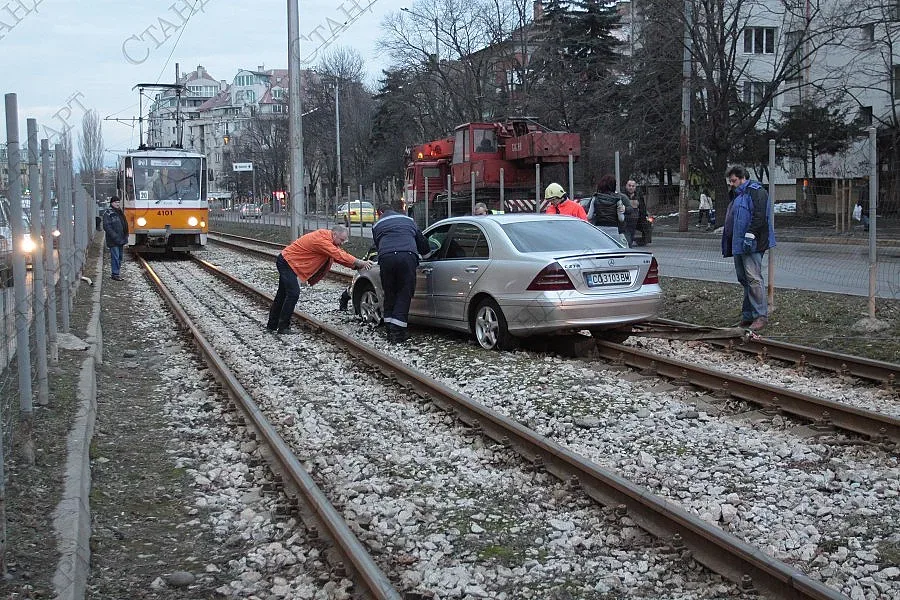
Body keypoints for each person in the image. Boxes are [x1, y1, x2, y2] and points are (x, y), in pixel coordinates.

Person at [266, 225, 374, 335]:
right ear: (334, 234)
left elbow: (338, 256)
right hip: (287, 263)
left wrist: (355, 266)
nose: (342, 243)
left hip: (288, 262)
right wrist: (360, 262)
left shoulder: (328, 240)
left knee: (282, 295)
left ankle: (272, 325)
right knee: (293, 294)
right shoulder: (322, 240)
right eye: (341, 240)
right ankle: (283, 326)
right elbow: (338, 254)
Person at [722, 166, 776, 332]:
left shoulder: (756, 192)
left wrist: (751, 234)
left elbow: (760, 215)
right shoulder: (738, 194)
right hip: (739, 243)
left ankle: (760, 316)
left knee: (753, 279)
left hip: (752, 243)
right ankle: (748, 315)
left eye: (734, 181)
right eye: (730, 181)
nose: (731, 184)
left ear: (742, 178)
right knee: (744, 279)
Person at [372, 203, 430, 343]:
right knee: (404, 292)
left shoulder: (377, 225)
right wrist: (427, 255)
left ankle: (389, 329)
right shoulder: (409, 221)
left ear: (380, 212)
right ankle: (397, 332)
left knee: (389, 292)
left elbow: (378, 244)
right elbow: (421, 241)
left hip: (386, 258)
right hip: (407, 256)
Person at [587, 175, 626, 241]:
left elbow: (589, 216)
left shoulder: (595, 197)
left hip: (599, 229)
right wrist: (623, 210)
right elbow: (621, 218)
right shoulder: (617, 199)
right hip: (613, 229)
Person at [102, 196, 128, 281]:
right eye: (116, 202)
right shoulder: (108, 213)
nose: (117, 204)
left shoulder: (119, 212)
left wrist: (126, 235)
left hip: (121, 238)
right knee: (115, 257)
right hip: (113, 240)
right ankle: (115, 274)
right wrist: (115, 236)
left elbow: (124, 224)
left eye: (118, 202)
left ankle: (117, 273)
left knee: (119, 257)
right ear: (111, 203)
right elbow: (107, 226)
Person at [624, 179, 652, 246]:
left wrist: (644, 217)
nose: (631, 187)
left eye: (633, 186)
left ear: (635, 187)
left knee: (647, 224)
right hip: (626, 219)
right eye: (629, 186)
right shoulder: (623, 195)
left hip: (636, 218)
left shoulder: (638, 196)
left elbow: (642, 207)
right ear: (626, 186)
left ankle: (643, 240)